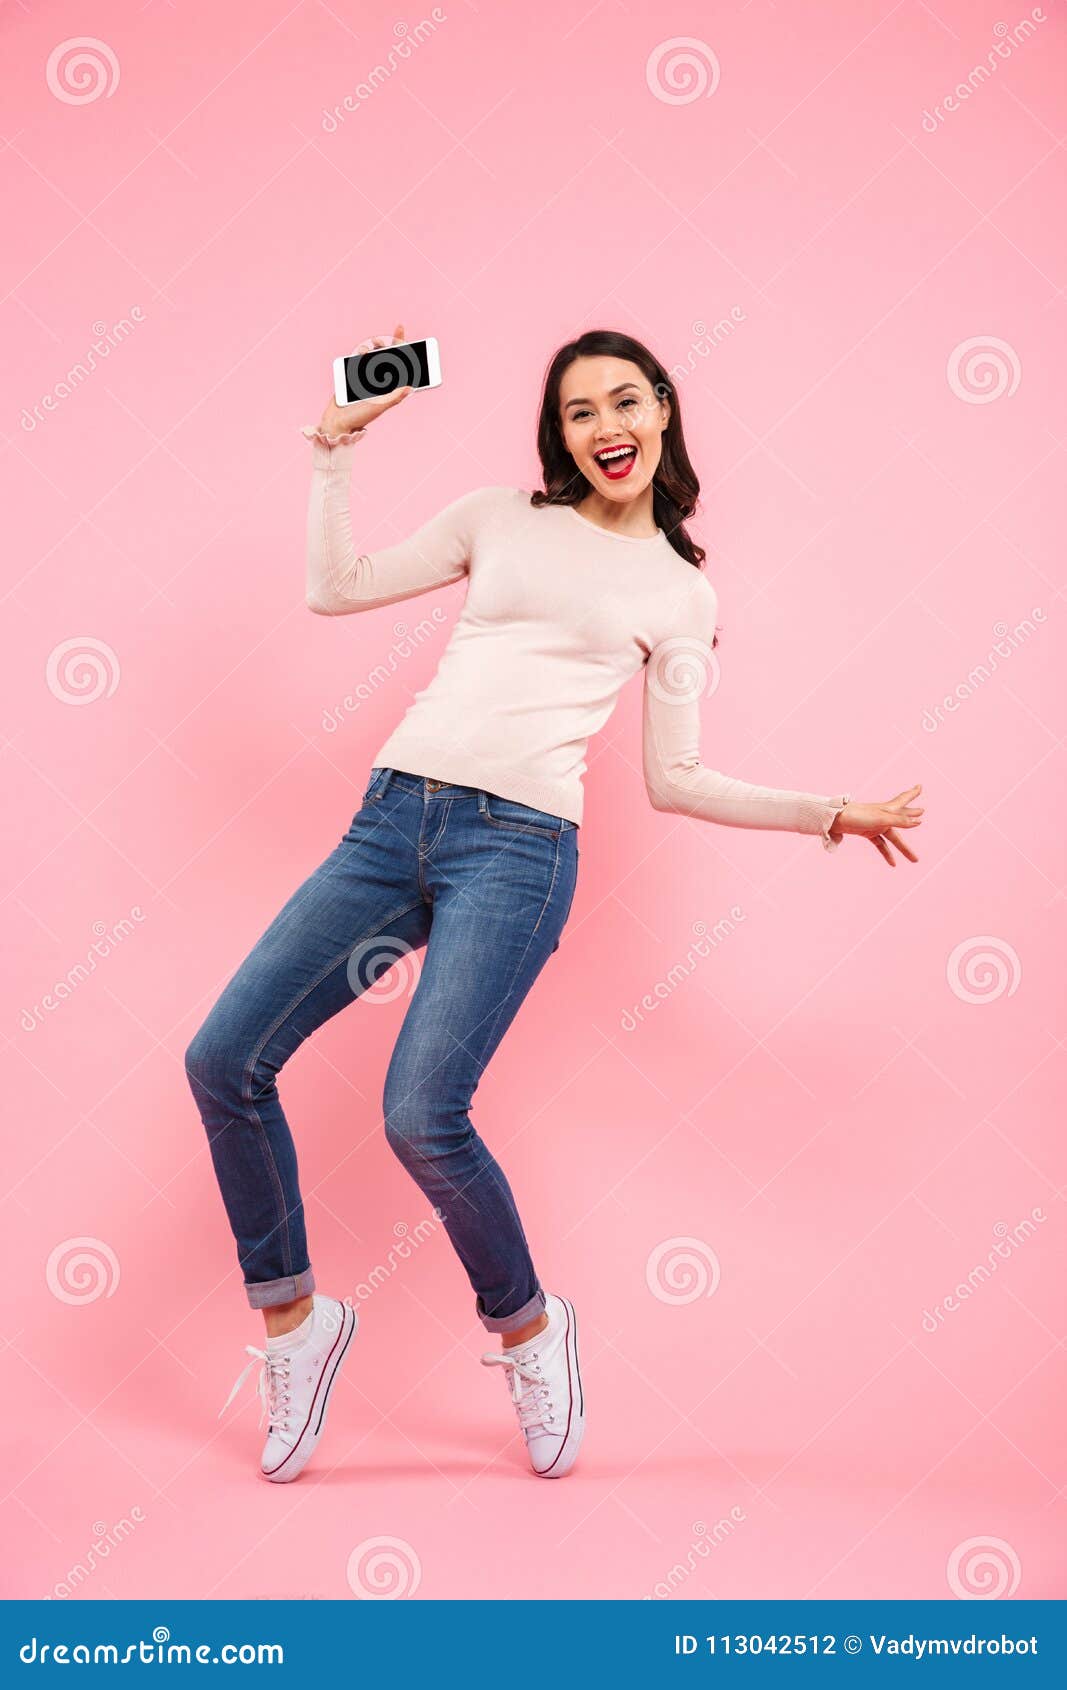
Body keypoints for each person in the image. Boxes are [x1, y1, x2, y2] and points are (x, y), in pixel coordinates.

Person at [185, 323, 923, 1485]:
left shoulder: (681, 594)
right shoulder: (497, 516)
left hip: (517, 854)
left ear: (663, 411)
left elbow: (672, 779)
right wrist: (335, 449)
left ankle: (528, 1330)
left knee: (421, 1114)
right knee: (223, 1058)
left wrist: (827, 811)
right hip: (391, 822)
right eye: (579, 412)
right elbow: (336, 590)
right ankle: (296, 1322)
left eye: (623, 402)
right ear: (559, 434)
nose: (603, 427)